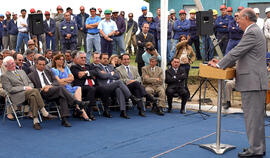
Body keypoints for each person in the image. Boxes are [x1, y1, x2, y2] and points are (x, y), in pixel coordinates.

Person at [208, 8, 267, 157]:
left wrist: (220, 64)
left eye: (239, 18)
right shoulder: (253, 31)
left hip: (253, 82)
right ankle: (258, 147)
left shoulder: (252, 31)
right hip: (254, 81)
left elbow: (237, 51)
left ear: (246, 18)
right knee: (255, 118)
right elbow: (246, 57)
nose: (237, 21)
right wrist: (221, 61)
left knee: (253, 118)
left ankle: (256, 150)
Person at [28, 56, 86, 127]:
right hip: (42, 93)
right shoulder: (31, 75)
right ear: (36, 64)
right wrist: (42, 88)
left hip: (53, 90)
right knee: (61, 88)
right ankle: (75, 102)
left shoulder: (48, 71)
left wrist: (50, 86)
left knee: (62, 96)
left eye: (43, 64)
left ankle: (64, 120)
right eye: (40, 64)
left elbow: (56, 82)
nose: (42, 66)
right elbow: (32, 89)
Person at [2, 56, 57, 130]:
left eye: (13, 63)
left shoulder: (21, 71)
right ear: (6, 66)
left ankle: (36, 121)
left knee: (33, 96)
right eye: (11, 64)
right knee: (35, 91)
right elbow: (10, 89)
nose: (14, 64)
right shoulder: (4, 76)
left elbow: (30, 82)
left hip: (29, 93)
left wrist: (29, 87)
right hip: (17, 96)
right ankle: (44, 112)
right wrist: (24, 88)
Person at [95, 53, 140, 119]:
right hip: (103, 87)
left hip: (113, 86)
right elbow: (102, 76)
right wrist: (111, 74)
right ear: (100, 59)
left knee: (119, 89)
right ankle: (131, 98)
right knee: (119, 82)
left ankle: (123, 111)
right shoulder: (97, 67)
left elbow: (117, 76)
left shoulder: (110, 66)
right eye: (104, 58)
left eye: (107, 58)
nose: (106, 60)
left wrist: (108, 74)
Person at [70, 51, 111, 119]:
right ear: (77, 59)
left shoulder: (89, 66)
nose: (83, 59)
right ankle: (89, 112)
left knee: (104, 88)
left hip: (93, 86)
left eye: (85, 57)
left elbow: (96, 72)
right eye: (81, 57)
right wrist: (90, 75)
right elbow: (79, 75)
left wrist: (86, 72)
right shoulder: (74, 67)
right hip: (81, 88)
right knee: (91, 89)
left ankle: (106, 110)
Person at [51, 54, 90, 121]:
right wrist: (67, 80)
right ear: (55, 61)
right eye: (60, 59)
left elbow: (72, 78)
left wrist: (64, 80)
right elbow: (59, 82)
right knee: (76, 94)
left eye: (63, 59)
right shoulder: (53, 70)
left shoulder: (66, 68)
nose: (61, 61)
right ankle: (82, 112)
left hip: (69, 87)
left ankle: (78, 107)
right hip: (62, 89)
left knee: (78, 88)